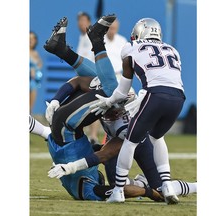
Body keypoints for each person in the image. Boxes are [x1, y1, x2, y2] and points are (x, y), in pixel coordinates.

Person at [43, 14, 188, 204]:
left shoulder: (125, 131)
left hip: (127, 135)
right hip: (135, 117)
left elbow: (104, 154)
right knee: (158, 188)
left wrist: (71, 167)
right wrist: (55, 101)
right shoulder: (123, 107)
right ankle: (82, 45)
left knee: (152, 186)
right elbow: (81, 82)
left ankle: (66, 49)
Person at [90, 18, 186, 204]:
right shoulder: (172, 50)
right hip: (179, 98)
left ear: (139, 32)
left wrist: (109, 101)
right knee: (157, 137)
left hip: (155, 94)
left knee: (130, 142)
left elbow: (122, 91)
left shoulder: (131, 47)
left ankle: (118, 191)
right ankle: (166, 185)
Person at [29, 115, 163, 201]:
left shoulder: (91, 191)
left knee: (52, 130)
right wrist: (147, 191)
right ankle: (141, 182)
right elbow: (121, 188)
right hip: (61, 157)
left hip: (71, 155)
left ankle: (141, 183)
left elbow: (121, 189)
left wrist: (147, 193)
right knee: (46, 132)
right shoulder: (84, 190)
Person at [76, 11, 102, 144]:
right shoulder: (82, 37)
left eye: (83, 20)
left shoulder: (90, 36)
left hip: (92, 76)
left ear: (89, 22)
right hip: (83, 77)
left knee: (94, 106)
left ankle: (93, 136)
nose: (81, 23)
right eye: (79, 21)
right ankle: (86, 135)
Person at [30, 31, 43, 114]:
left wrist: (35, 70)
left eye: (32, 39)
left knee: (30, 109)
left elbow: (40, 64)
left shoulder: (35, 53)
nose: (30, 41)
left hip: (33, 84)